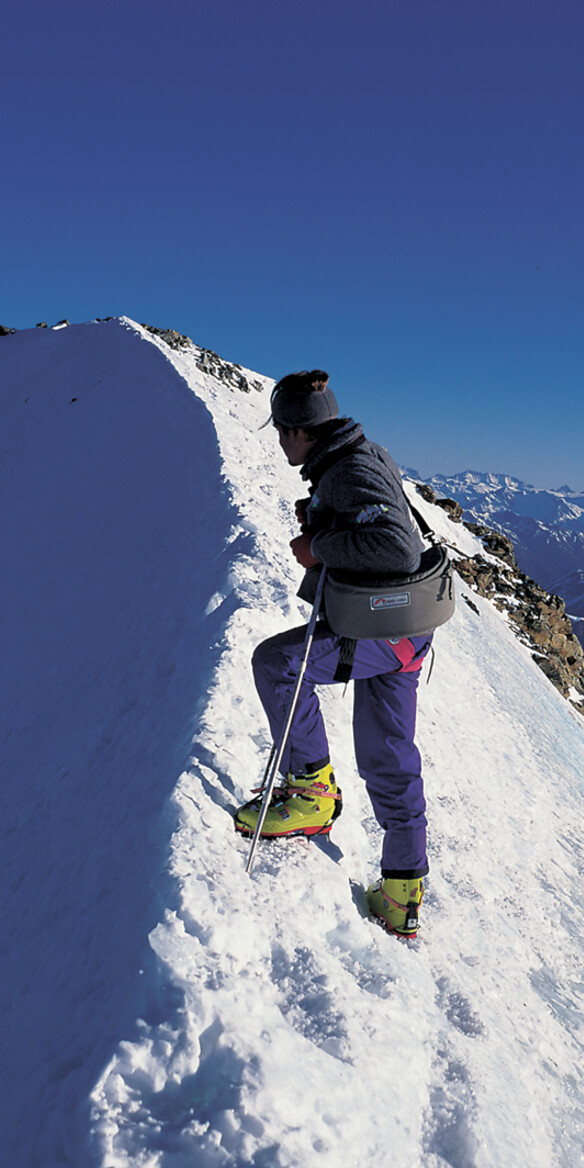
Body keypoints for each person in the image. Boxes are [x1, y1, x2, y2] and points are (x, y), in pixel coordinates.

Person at [237, 370, 433, 938]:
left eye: (281, 431)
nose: (279, 442)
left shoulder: (347, 469)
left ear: (302, 431)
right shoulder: (355, 454)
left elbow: (395, 545)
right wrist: (329, 521)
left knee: (277, 665)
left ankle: (311, 793)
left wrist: (317, 544)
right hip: (405, 624)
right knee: (389, 756)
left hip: (381, 626)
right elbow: (378, 525)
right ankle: (402, 892)